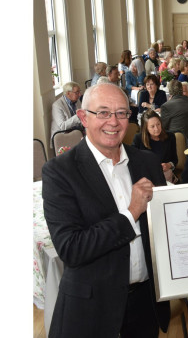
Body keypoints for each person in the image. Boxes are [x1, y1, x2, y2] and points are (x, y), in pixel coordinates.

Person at [42, 83, 170, 338]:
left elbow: (164, 228)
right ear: (83, 118)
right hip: (92, 309)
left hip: (144, 304)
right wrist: (130, 212)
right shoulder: (60, 172)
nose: (113, 121)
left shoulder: (148, 162)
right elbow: (71, 249)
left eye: (121, 113)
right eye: (102, 112)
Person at [132, 109, 178, 183]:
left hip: (164, 175)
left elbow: (175, 160)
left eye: (158, 124)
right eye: (152, 126)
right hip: (145, 175)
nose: (156, 129)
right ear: (146, 128)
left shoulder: (170, 136)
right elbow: (133, 162)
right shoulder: (138, 139)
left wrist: (169, 165)